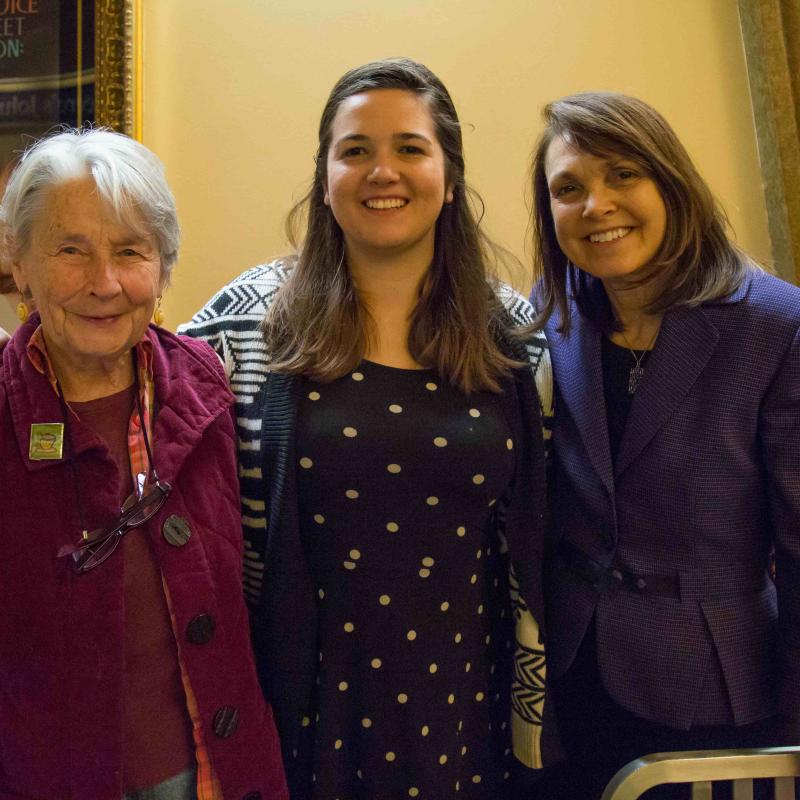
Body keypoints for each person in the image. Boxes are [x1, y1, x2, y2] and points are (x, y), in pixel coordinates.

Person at [180, 57, 555, 799]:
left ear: (449, 176)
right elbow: (144, 415)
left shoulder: (515, 335)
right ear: (325, 179)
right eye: (356, 150)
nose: (383, 170)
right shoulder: (242, 324)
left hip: (468, 703)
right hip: (299, 702)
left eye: (410, 148)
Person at [0, 129, 288, 800]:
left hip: (218, 769)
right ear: (22, 265)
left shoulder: (207, 385)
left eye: (130, 251)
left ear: (161, 265)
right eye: (71, 250)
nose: (104, 283)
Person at [529, 91, 800, 799]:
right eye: (569, 189)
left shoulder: (775, 326)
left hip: (717, 690)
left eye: (622, 174)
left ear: (670, 182)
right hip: (572, 678)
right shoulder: (550, 319)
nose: (597, 204)